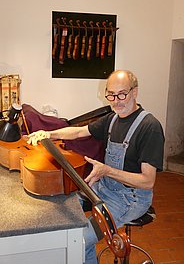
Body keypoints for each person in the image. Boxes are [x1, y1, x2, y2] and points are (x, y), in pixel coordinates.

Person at [27, 70, 165, 264]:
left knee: (78, 241)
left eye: (122, 94)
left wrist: (107, 170)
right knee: (61, 208)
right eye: (110, 95)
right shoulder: (113, 119)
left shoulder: (149, 127)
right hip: (105, 188)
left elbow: (147, 181)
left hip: (130, 199)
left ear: (135, 92)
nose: (116, 101)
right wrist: (49, 134)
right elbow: (78, 132)